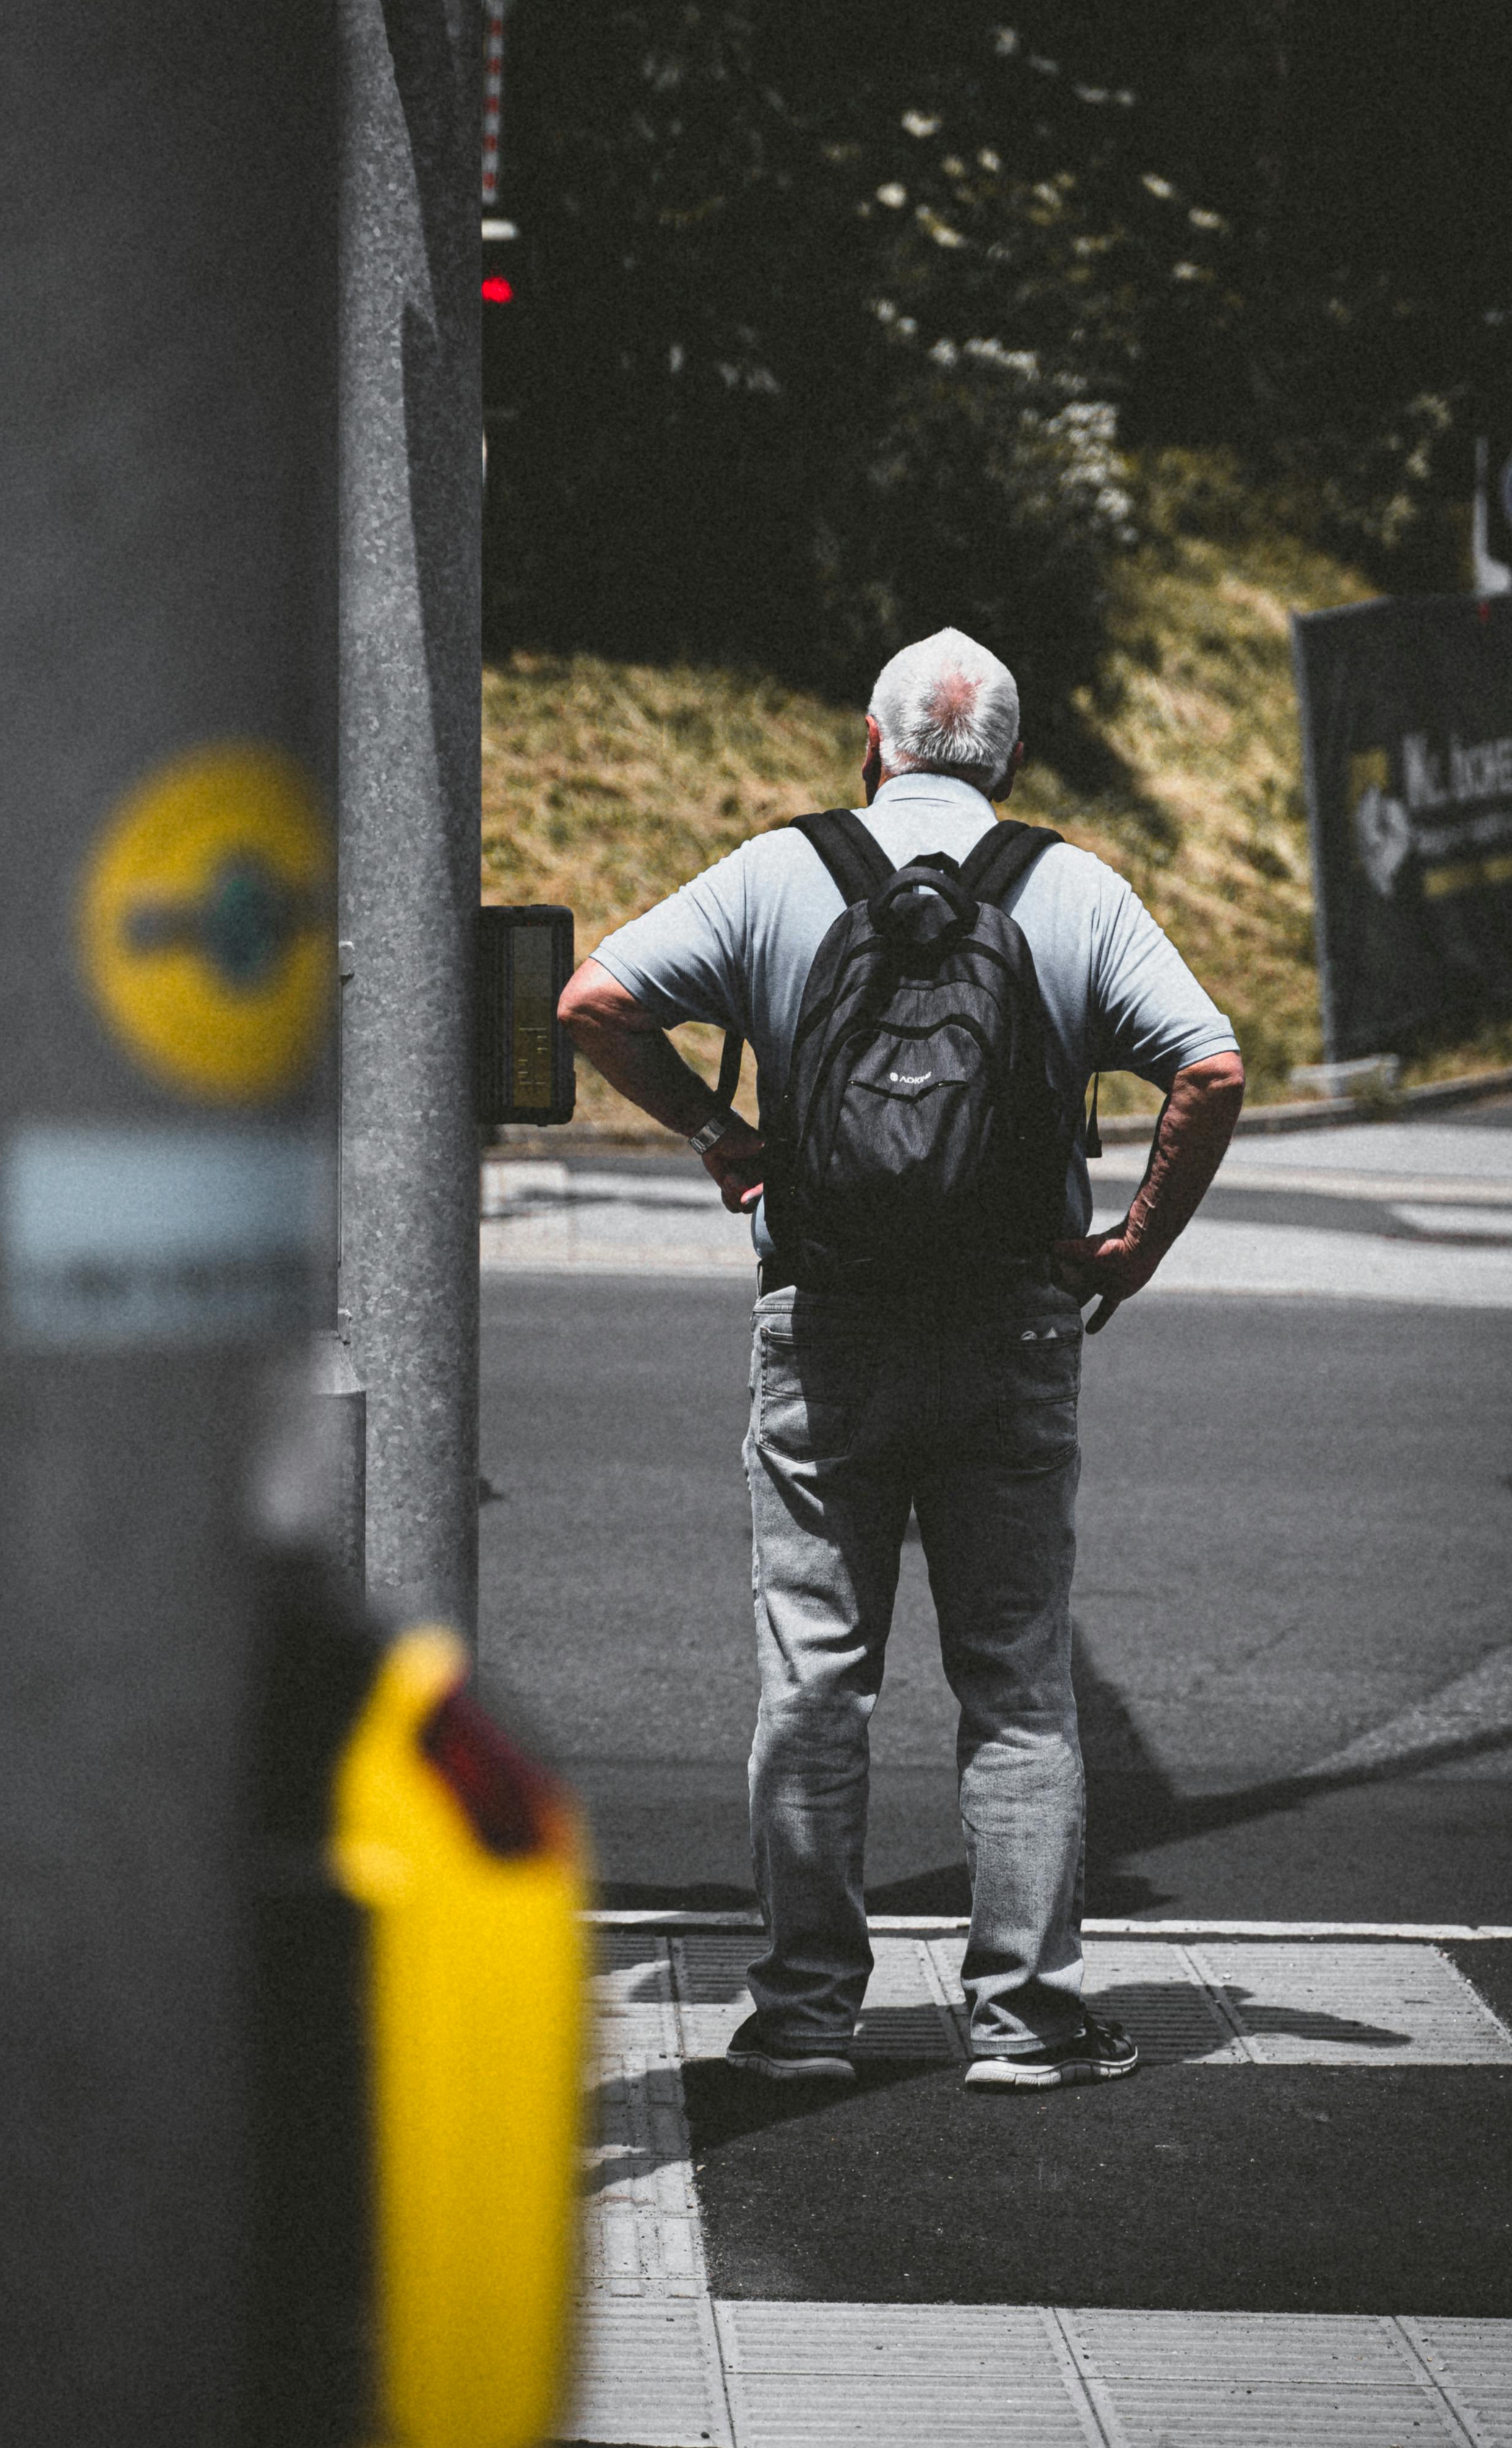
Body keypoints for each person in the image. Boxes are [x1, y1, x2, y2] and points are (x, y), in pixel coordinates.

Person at [558, 628, 1243, 2092]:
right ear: (1006, 760)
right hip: (1012, 1324)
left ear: (872, 748)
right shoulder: (1072, 888)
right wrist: (1131, 1246)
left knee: (815, 1678)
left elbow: (592, 1003)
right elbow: (1212, 1063)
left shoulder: (775, 874)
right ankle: (1026, 2020)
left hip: (829, 1327)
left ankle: (805, 2016)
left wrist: (720, 1135)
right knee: (1016, 1681)